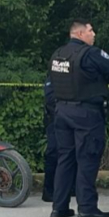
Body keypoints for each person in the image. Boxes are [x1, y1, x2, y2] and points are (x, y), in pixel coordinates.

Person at [48, 19, 109, 217]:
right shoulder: (90, 54)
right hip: (85, 114)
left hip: (62, 112)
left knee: (65, 159)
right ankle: (87, 209)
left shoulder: (58, 54)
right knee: (87, 159)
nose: (94, 34)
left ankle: (59, 207)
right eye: (91, 30)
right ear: (81, 34)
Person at [41, 72, 60, 203]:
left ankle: (71, 187)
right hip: (54, 119)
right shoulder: (53, 77)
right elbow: (50, 99)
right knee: (53, 153)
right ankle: (48, 191)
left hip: (67, 119)